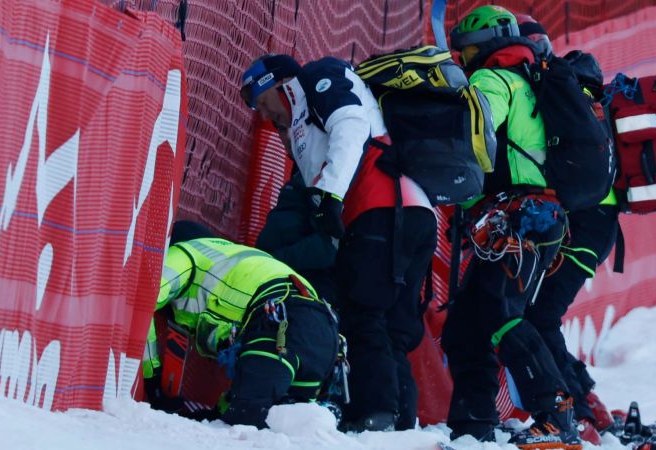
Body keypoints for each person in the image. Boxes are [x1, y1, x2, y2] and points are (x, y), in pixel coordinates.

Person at [239, 54, 437, 431]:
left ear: (278, 85)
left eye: (264, 103)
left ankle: (375, 416)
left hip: (380, 208)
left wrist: (329, 195)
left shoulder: (316, 76)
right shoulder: (301, 127)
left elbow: (350, 123)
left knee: (363, 314)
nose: (266, 117)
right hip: (414, 211)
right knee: (392, 325)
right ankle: (400, 421)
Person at [442, 6, 580, 449]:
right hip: (538, 216)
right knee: (467, 323)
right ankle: (473, 424)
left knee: (502, 313)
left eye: (463, 50)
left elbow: (477, 131)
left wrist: (463, 185)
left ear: (479, 45)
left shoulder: (492, 79)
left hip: (519, 216)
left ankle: (555, 415)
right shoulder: (528, 76)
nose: (460, 60)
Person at [514, 13, 619, 442]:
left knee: (539, 315)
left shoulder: (553, 88)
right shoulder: (575, 87)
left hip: (583, 222)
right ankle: (588, 402)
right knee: (542, 314)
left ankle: (576, 412)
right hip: (595, 221)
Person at [142, 235, 340, 428]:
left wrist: (152, 378)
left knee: (247, 421)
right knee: (295, 427)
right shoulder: (236, 258)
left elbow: (142, 301)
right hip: (323, 330)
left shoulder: (184, 253)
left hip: (280, 324)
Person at [255, 124, 338, 305]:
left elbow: (328, 246)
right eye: (280, 129)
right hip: (276, 282)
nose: (284, 137)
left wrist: (273, 262)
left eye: (284, 127)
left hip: (299, 291)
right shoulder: (304, 171)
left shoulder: (328, 178)